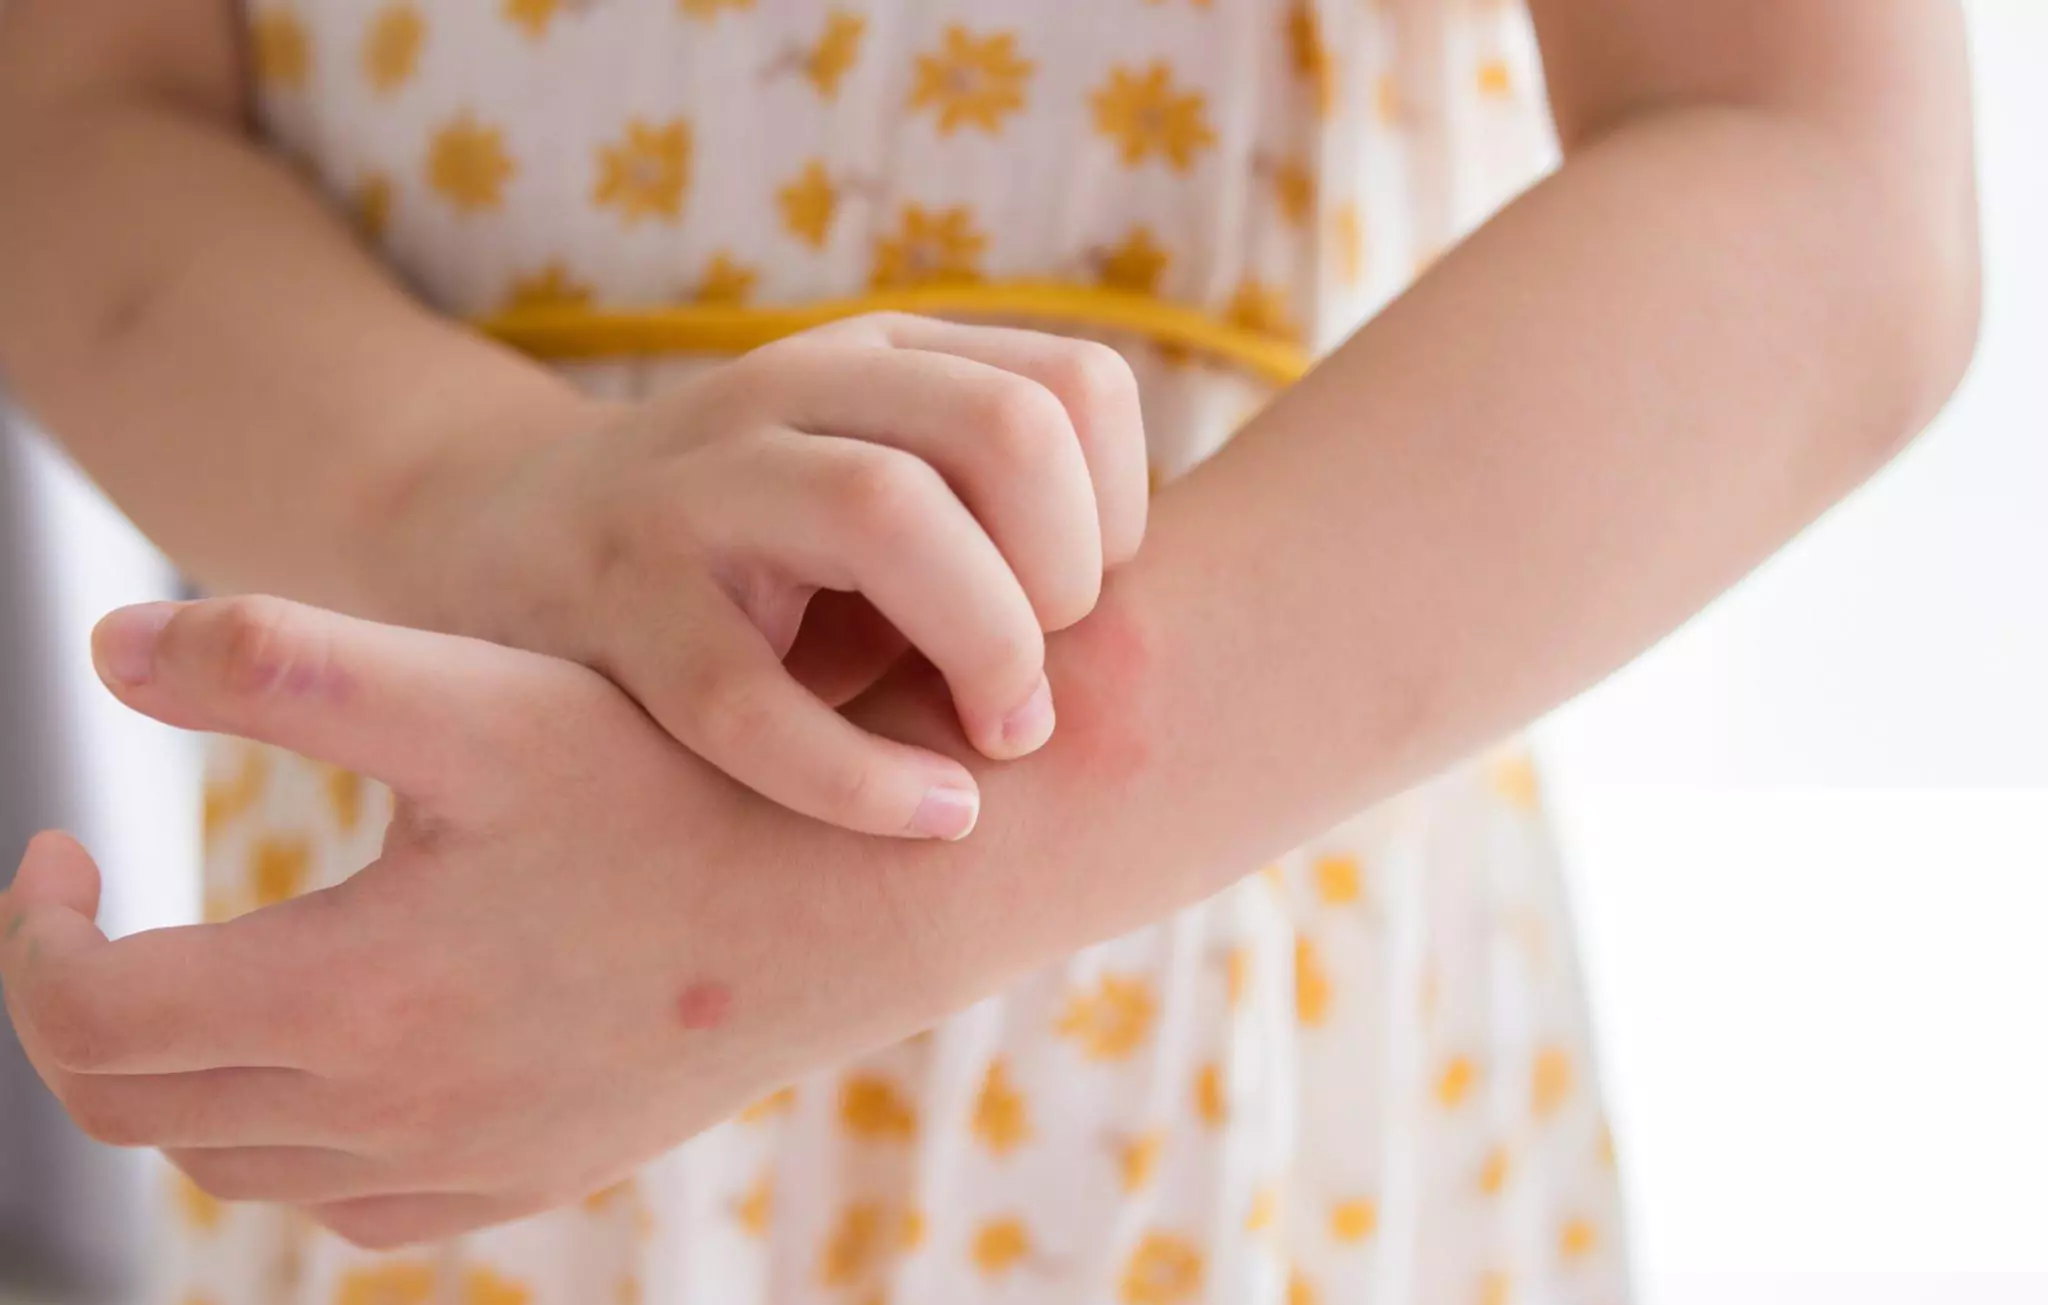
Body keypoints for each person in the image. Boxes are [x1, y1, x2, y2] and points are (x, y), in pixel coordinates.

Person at [0, 2, 1977, 1303]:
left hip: (1214, 957)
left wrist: (820, 905)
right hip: (456, 995)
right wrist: (487, 500)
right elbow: (74, 121)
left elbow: (1821, 181)